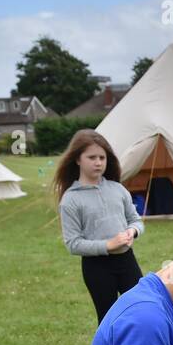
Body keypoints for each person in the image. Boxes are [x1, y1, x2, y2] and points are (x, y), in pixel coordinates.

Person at [54, 130, 145, 324]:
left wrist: (133, 231)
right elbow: (73, 244)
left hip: (127, 261)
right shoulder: (71, 200)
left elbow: (136, 220)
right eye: (92, 157)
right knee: (108, 319)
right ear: (78, 159)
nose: (98, 162)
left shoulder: (118, 189)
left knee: (142, 309)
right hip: (97, 268)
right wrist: (108, 245)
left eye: (102, 157)